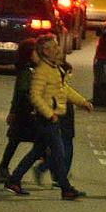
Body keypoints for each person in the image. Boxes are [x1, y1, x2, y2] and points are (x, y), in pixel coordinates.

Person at [8, 33, 90, 199]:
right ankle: (66, 189)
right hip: (46, 120)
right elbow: (35, 95)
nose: (57, 49)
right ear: (45, 51)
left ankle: (14, 180)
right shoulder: (42, 71)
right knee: (59, 153)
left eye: (56, 46)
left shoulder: (55, 69)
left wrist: (82, 102)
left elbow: (64, 90)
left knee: (37, 152)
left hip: (53, 117)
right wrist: (49, 113)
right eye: (53, 47)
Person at [0, 38, 43, 182]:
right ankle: (50, 167)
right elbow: (21, 92)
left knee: (16, 140)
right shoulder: (27, 71)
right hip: (26, 111)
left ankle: (3, 167)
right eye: (36, 52)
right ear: (29, 54)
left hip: (24, 111)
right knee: (41, 140)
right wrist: (14, 111)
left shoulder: (29, 69)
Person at [38, 34, 83, 186]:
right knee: (65, 144)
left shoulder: (51, 66)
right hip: (59, 110)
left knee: (58, 145)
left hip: (56, 110)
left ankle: (53, 172)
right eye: (55, 46)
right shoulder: (52, 68)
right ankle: (57, 176)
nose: (58, 49)